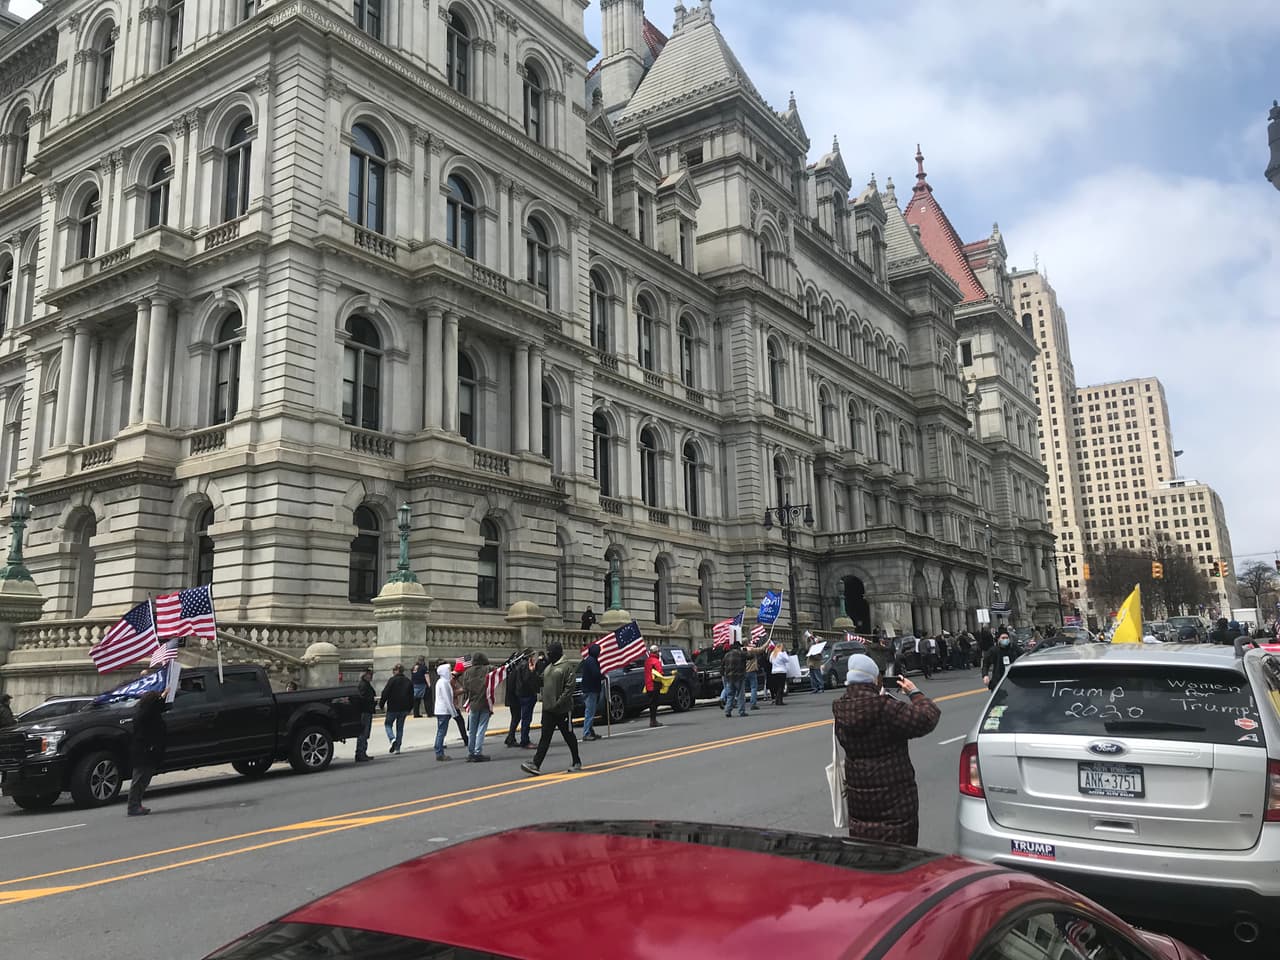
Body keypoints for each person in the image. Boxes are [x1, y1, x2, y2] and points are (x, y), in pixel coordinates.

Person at [832, 654, 941, 845]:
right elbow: (928, 717)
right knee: (900, 863)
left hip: (859, 805)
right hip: (895, 806)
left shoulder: (841, 710)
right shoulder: (887, 708)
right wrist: (914, 692)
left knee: (867, 860)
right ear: (874, 679)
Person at [521, 641, 582, 775]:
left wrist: (559, 702)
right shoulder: (549, 667)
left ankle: (576, 761)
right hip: (548, 709)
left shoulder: (566, 667)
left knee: (568, 736)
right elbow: (539, 682)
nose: (548, 655)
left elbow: (569, 688)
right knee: (545, 737)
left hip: (562, 709)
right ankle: (536, 764)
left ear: (557, 653)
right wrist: (532, 673)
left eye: (550, 653)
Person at [126, 691, 167, 817]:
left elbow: (159, 707)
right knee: (139, 779)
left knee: (144, 779)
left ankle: (137, 804)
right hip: (143, 751)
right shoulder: (144, 715)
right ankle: (133, 806)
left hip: (149, 751)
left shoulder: (148, 712)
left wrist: (164, 696)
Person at [460, 652, 492, 762]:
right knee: (481, 729)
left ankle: (471, 752)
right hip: (484, 702)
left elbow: (465, 689)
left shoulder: (467, 672)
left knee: (472, 730)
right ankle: (478, 752)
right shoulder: (488, 669)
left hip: (473, 703)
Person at [379, 664, 414, 754]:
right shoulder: (408, 681)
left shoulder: (392, 680)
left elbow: (385, 693)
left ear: (396, 671)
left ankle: (392, 739)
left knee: (388, 724)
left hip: (393, 707)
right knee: (400, 727)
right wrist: (410, 707)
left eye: (394, 670)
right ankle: (397, 748)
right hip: (404, 707)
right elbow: (411, 696)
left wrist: (381, 704)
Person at [432, 663, 455, 761]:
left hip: (441, 710)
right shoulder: (444, 682)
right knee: (441, 731)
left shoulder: (442, 681)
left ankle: (438, 749)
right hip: (444, 710)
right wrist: (453, 711)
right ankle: (439, 752)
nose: (450, 672)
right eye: (448, 670)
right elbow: (447, 698)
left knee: (441, 731)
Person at [580, 643, 603, 741]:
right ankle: (587, 733)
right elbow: (596, 674)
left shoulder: (589, 660)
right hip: (591, 690)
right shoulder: (591, 661)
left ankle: (590, 730)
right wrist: (603, 676)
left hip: (589, 689)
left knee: (591, 712)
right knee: (589, 712)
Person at [354, 668, 375, 762]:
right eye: (369, 674)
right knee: (363, 733)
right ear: (365, 675)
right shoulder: (363, 685)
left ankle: (362, 752)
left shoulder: (365, 684)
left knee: (365, 733)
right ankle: (360, 753)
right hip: (364, 711)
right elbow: (362, 699)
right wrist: (371, 702)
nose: (371, 676)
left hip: (367, 711)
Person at [722, 640, 747, 717]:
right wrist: (745, 651)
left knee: (730, 695)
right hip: (739, 676)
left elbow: (722, 665)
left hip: (729, 677)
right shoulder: (741, 653)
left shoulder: (727, 655)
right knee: (740, 695)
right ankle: (741, 711)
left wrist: (724, 674)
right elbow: (751, 656)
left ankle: (727, 711)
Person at [644, 645, 665, 727]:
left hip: (648, 684)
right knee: (654, 704)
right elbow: (660, 672)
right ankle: (653, 721)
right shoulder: (656, 661)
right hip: (654, 684)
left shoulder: (647, 661)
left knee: (651, 703)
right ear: (656, 652)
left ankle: (652, 720)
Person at [450, 662, 470, 749]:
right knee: (460, 722)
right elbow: (451, 693)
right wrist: (462, 690)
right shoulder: (451, 679)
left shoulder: (453, 678)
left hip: (451, 705)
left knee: (444, 725)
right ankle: (466, 740)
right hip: (452, 705)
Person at [744, 638, 764, 710]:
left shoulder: (740, 650)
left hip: (743, 672)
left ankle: (741, 704)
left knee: (742, 689)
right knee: (753, 688)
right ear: (747, 642)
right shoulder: (751, 650)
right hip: (751, 671)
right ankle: (753, 704)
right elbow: (761, 649)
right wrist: (767, 642)